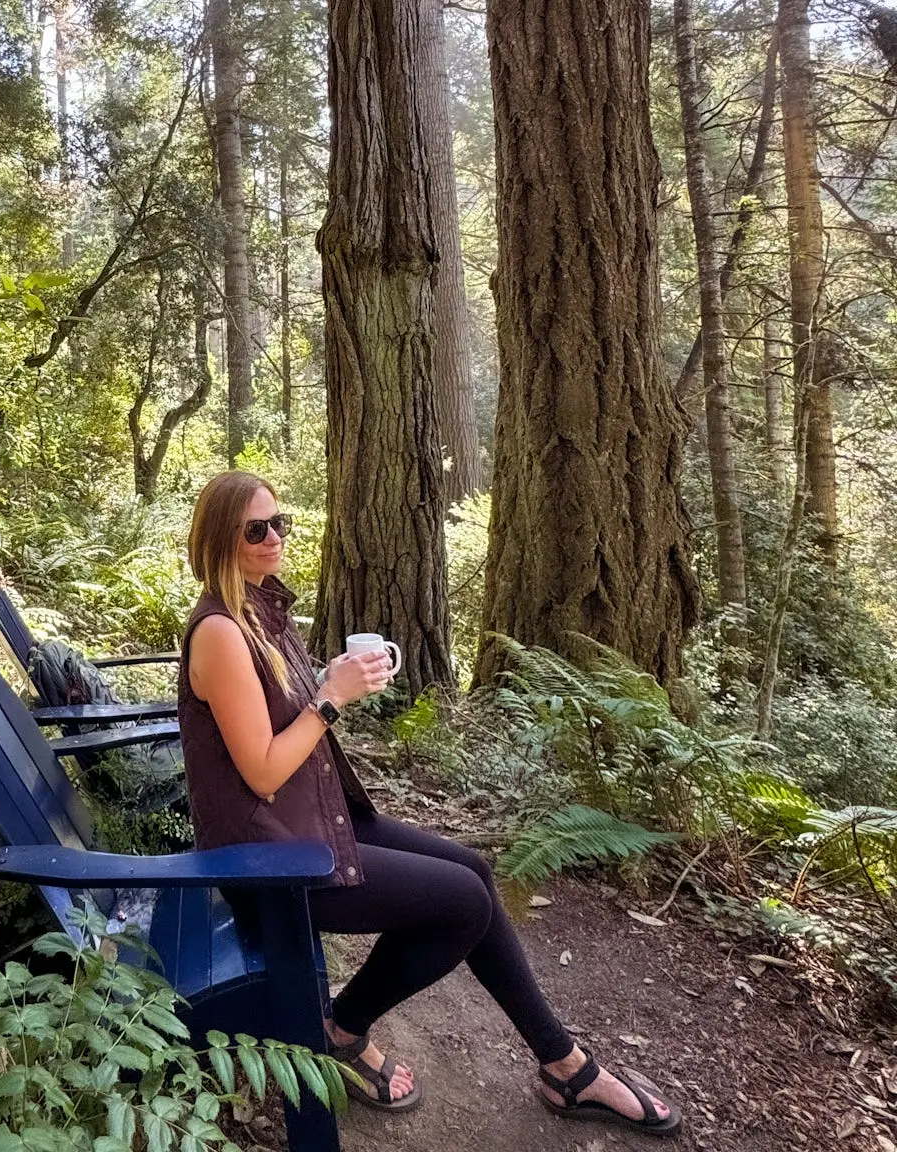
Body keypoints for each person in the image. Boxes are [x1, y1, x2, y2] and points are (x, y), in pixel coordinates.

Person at [176, 470, 681, 1138]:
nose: (275, 539)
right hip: (271, 861)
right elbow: (265, 771)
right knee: (461, 905)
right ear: (220, 538)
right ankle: (343, 1028)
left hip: (314, 823)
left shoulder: (261, 612)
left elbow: (280, 725)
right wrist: (333, 699)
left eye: (280, 523)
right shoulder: (220, 632)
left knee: (471, 868)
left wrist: (328, 681)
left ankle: (562, 1062)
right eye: (255, 530)